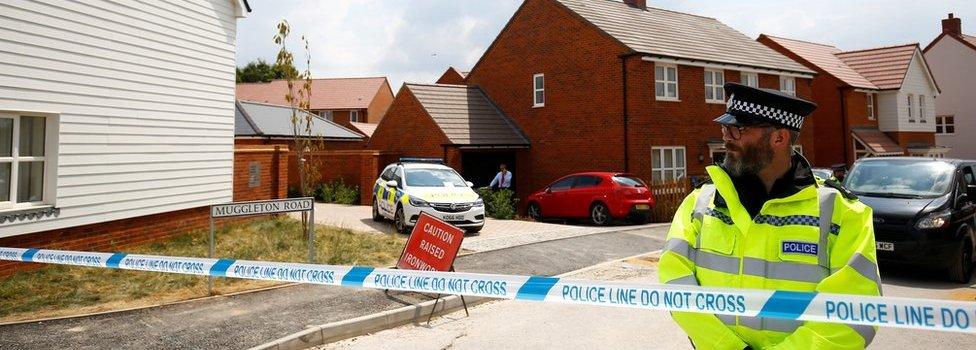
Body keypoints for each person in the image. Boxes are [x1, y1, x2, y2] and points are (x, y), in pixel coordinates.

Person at [659, 83, 881, 350]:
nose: (727, 138)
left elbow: (854, 311)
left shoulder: (842, 212)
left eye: (738, 129)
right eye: (725, 129)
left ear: (779, 138)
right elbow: (675, 282)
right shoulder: (700, 201)